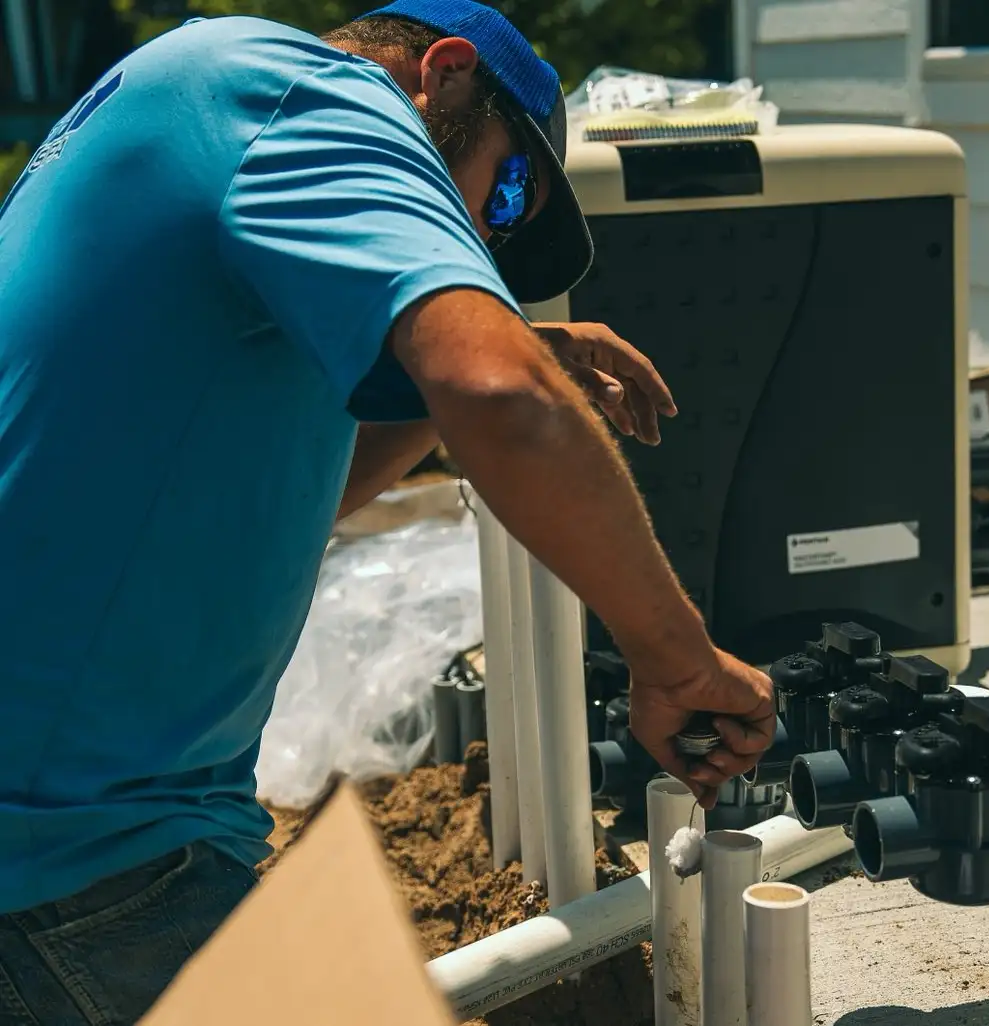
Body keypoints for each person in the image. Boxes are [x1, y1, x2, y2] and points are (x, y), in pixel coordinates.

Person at [0, 2, 775, 1021]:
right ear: (442, 76)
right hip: (83, 853)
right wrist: (679, 662)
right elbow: (501, 400)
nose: (484, 234)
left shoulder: (196, 108)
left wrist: (517, 357)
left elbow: (295, 502)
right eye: (506, 189)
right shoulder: (306, 92)